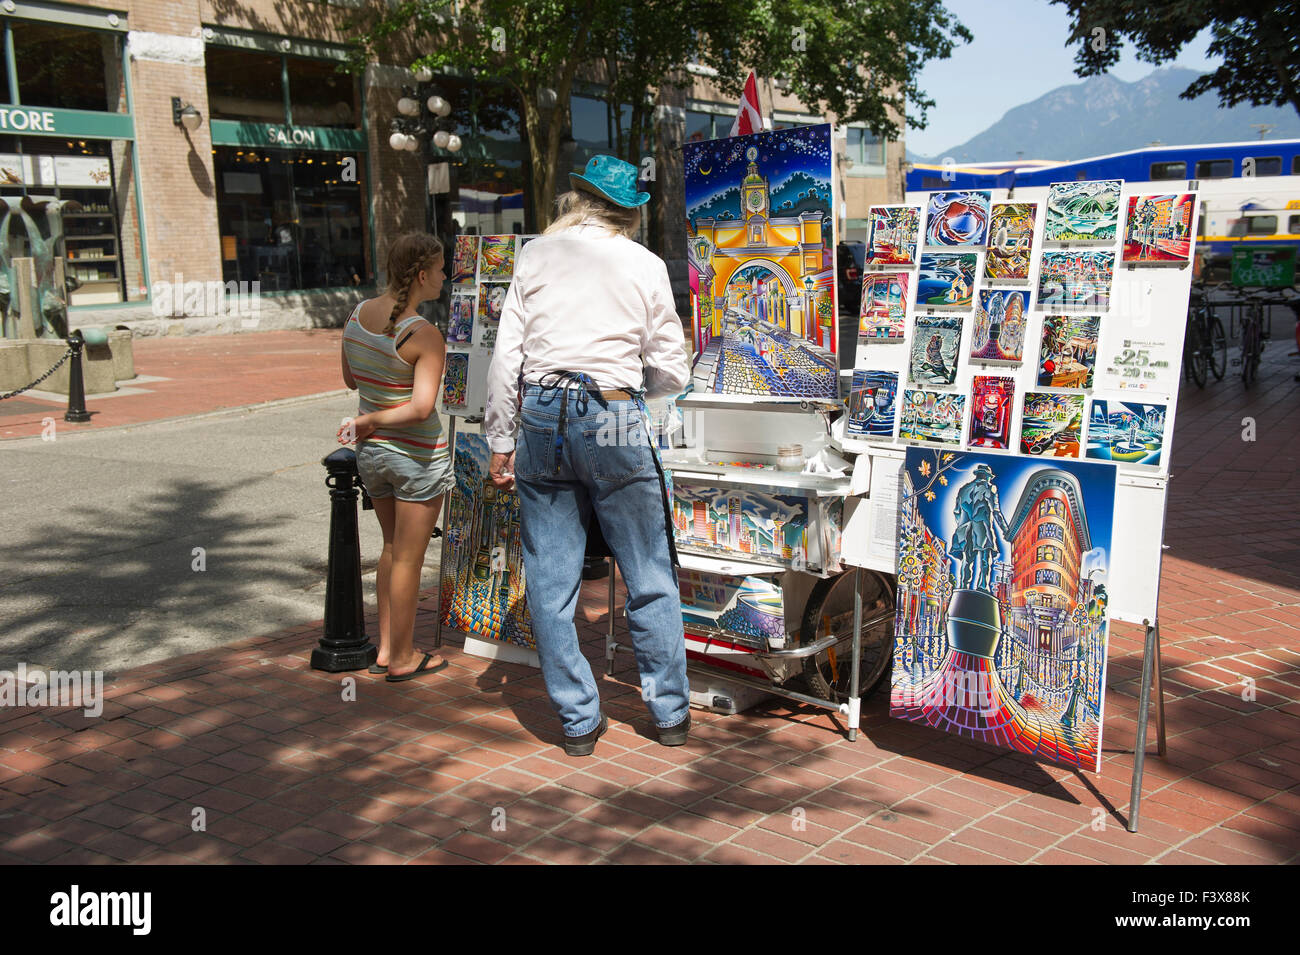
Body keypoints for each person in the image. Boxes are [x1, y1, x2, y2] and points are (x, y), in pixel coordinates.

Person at [484, 155, 691, 757]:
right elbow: (672, 367)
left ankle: (578, 721)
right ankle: (669, 715)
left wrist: (501, 439)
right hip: (613, 411)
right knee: (647, 570)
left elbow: (506, 361)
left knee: (550, 580)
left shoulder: (535, 255)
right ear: (628, 212)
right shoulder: (645, 264)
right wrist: (639, 405)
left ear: (577, 198)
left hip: (544, 410)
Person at [336, 232, 452, 683]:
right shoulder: (423, 333)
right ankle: (403, 657)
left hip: (374, 458)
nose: (445, 277)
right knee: (409, 558)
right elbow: (422, 408)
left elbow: (351, 379)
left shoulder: (356, 316)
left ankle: (386, 646)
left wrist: (369, 421)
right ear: (422, 275)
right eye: (441, 269)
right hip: (417, 456)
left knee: (390, 549)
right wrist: (373, 422)